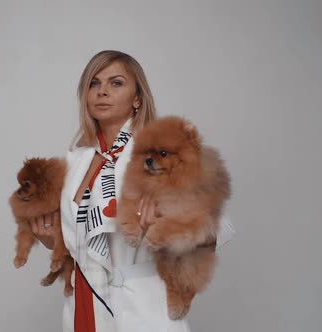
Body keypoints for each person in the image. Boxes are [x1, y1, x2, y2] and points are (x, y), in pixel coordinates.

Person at [29, 50, 234, 332]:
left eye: (116, 83)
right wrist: (54, 241)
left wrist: (167, 227)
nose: (102, 92)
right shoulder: (74, 162)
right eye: (94, 83)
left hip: (142, 312)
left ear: (137, 98)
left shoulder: (162, 156)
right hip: (84, 308)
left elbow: (210, 235)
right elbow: (84, 245)